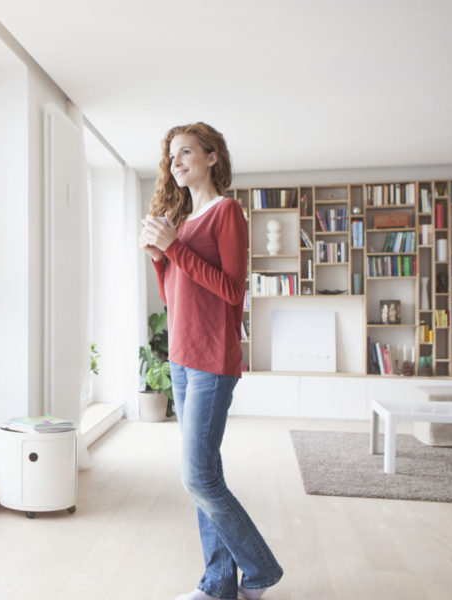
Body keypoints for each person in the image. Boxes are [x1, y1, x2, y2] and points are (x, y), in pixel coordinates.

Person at [139, 122, 283, 600]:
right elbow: (174, 298)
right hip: (182, 357)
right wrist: (161, 258)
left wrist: (174, 248)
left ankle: (259, 572)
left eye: (185, 152)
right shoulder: (183, 222)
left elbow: (231, 291)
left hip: (211, 360)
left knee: (197, 476)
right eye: (171, 156)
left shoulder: (227, 212)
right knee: (206, 473)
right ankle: (218, 584)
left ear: (212, 157)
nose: (176, 162)